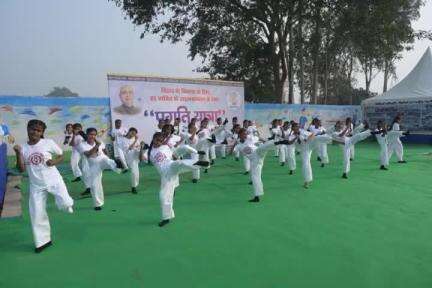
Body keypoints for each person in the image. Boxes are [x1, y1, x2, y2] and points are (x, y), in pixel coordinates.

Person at [13, 119, 74, 253]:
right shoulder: (23, 147)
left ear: (42, 133)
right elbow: (21, 169)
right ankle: (42, 242)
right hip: (36, 185)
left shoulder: (48, 143)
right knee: (36, 213)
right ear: (28, 129)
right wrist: (18, 153)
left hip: (54, 180)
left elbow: (61, 155)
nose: (35, 132)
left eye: (38, 130)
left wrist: (54, 162)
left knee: (65, 203)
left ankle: (66, 204)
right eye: (32, 129)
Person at [149, 132, 209, 227]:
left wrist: (196, 152)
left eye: (160, 141)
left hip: (170, 166)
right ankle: (166, 218)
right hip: (165, 176)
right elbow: (142, 157)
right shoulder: (150, 152)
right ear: (153, 139)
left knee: (178, 163)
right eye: (156, 140)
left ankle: (197, 163)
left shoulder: (166, 147)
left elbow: (176, 153)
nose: (158, 142)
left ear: (162, 141)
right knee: (163, 197)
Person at [233, 128, 289, 202]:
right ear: (240, 135)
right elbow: (233, 151)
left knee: (263, 147)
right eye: (244, 134)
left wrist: (265, 140)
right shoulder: (238, 146)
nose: (245, 135)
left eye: (246, 133)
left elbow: (258, 138)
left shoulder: (250, 138)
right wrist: (235, 147)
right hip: (254, 160)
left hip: (258, 153)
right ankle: (257, 196)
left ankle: (279, 142)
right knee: (255, 177)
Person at [78, 128, 121, 210]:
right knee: (94, 185)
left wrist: (107, 155)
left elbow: (104, 151)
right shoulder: (82, 145)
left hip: (102, 159)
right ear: (87, 135)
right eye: (91, 134)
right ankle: (98, 204)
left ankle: (117, 165)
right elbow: (88, 154)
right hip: (93, 165)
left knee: (107, 160)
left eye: (94, 134)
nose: (92, 136)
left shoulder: (100, 142)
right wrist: (97, 145)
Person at [122, 127, 143, 194]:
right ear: (129, 131)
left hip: (135, 157)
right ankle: (133, 187)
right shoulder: (124, 140)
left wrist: (140, 146)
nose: (133, 134)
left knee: (136, 173)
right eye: (132, 132)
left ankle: (134, 186)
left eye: (134, 134)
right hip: (129, 157)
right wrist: (135, 140)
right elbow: (130, 148)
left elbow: (138, 147)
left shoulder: (135, 139)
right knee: (134, 172)